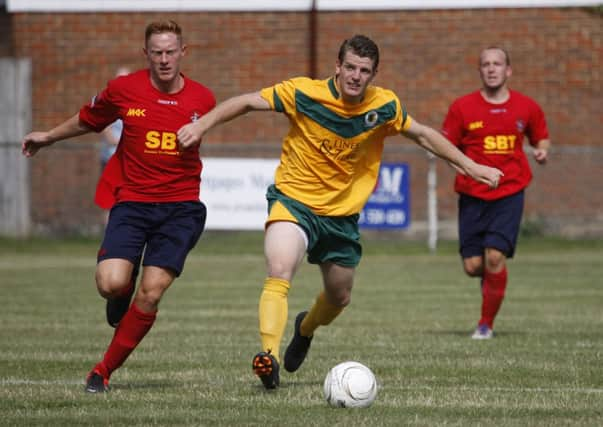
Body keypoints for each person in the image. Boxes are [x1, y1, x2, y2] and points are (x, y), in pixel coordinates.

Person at [177, 34, 503, 389]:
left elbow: (423, 135)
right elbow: (246, 102)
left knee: (339, 297)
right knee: (280, 268)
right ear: (337, 66)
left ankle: (306, 328)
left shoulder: (384, 106)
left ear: (373, 74)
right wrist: (201, 124)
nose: (355, 76)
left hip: (341, 217)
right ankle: (267, 356)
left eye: (364, 71)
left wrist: (471, 166)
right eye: (350, 67)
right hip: (294, 201)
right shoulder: (304, 93)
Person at [21, 20, 216, 393]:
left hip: (180, 209)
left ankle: (102, 370)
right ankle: (120, 293)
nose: (164, 59)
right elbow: (88, 119)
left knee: (153, 291)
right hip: (133, 204)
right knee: (111, 284)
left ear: (183, 53)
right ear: (146, 54)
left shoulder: (202, 100)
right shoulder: (123, 90)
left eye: (170, 51)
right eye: (156, 52)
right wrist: (47, 136)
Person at [441, 46, 550, 340]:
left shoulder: (526, 106)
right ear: (480, 71)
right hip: (472, 195)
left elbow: (541, 136)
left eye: (497, 64)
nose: (491, 68)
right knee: (474, 266)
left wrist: (541, 151)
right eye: (486, 64)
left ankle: (485, 325)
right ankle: (493, 284)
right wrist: (460, 165)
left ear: (508, 70)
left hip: (509, 192)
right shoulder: (462, 107)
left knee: (494, 257)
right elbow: (446, 146)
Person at [98, 66, 131, 226]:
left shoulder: (135, 103)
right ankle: (108, 236)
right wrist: (131, 142)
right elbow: (107, 134)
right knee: (110, 201)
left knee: (130, 200)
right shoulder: (108, 102)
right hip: (111, 158)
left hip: (130, 161)